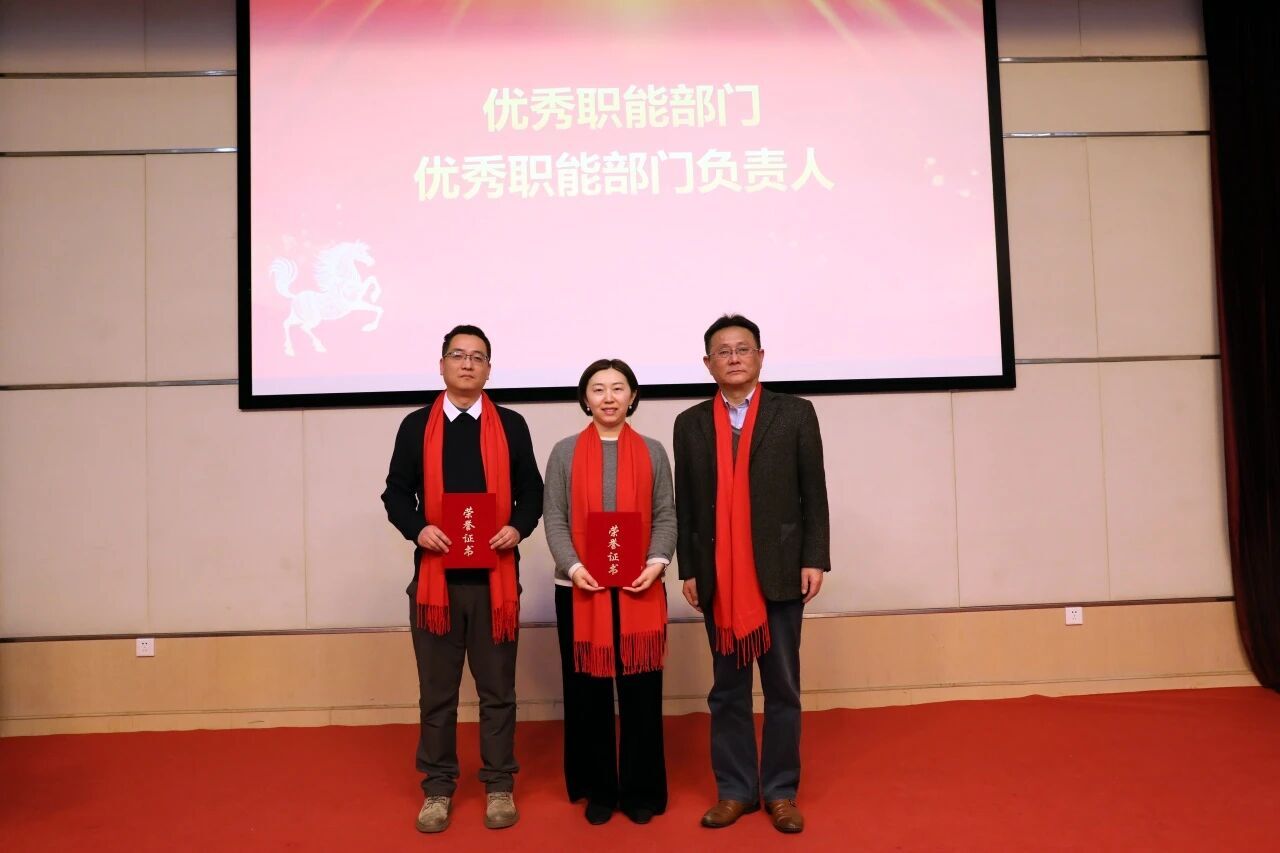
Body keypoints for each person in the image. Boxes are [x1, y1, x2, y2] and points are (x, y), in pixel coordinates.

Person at [381, 324, 544, 834]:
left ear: (489, 369)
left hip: (495, 582)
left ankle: (498, 784)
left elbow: (532, 492)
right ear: (442, 365)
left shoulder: (511, 425)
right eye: (458, 355)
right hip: (436, 584)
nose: (467, 363)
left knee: (498, 691)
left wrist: (517, 528)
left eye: (477, 357)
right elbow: (395, 493)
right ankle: (437, 788)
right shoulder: (416, 426)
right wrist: (418, 529)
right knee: (437, 693)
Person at [673, 314, 830, 834]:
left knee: (783, 688)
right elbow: (687, 505)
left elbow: (814, 492)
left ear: (761, 357)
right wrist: (690, 569)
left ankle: (781, 791)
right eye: (724, 351)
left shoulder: (795, 413)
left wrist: (814, 557)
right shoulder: (690, 423)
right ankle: (736, 790)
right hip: (719, 575)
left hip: (781, 570)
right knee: (727, 691)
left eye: (744, 349)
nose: (734, 358)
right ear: (708, 363)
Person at [542, 359, 676, 825]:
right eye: (598, 389)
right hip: (581, 588)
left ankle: (642, 791)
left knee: (641, 691)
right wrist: (574, 566)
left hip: (641, 587)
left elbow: (666, 514)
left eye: (619, 388)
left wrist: (657, 562)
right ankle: (598, 788)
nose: (609, 397)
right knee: (587, 692)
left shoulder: (654, 451)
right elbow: (554, 517)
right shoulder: (563, 452)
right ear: (585, 399)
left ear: (633, 396)